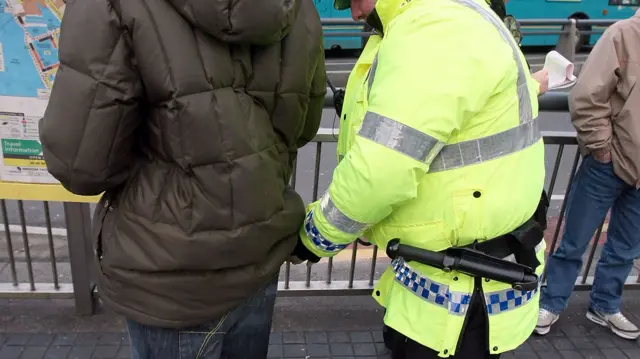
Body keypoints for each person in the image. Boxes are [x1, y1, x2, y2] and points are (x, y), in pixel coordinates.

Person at [38, 0, 325, 357]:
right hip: (258, 254)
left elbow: (81, 164)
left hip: (168, 272)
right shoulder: (300, 8)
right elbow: (303, 126)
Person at [293, 0, 550, 357]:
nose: (351, 13)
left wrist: (313, 237)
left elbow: (382, 170)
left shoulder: (433, 29)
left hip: (459, 293)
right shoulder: (450, 15)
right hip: (461, 272)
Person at [535, 11, 640, 340]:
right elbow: (586, 96)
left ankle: (605, 305)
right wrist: (602, 150)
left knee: (624, 247)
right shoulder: (623, 34)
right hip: (609, 163)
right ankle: (552, 301)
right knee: (574, 242)